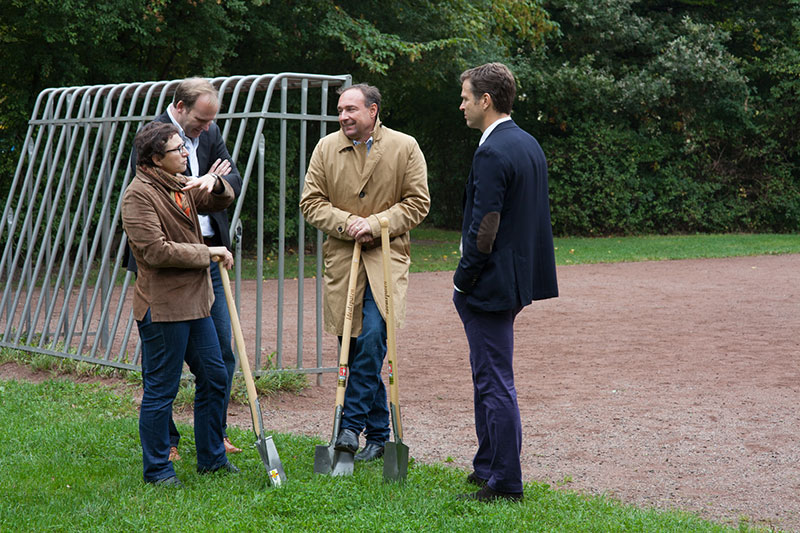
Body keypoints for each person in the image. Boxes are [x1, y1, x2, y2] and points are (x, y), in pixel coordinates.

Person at [300, 84, 430, 463]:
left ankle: (348, 427)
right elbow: (311, 202)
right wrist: (347, 223)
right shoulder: (326, 148)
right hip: (343, 262)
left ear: (373, 110)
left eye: (351, 109)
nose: (344, 116)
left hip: (386, 259)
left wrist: (375, 223)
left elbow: (418, 203)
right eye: (340, 110)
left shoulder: (405, 147)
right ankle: (377, 436)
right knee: (353, 347)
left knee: (374, 337)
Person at [453, 63, 558, 502]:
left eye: (465, 96)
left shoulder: (493, 151)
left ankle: (506, 482)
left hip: (491, 284)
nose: (461, 104)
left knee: (495, 380)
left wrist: (463, 279)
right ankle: (488, 465)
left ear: (486, 100)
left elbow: (488, 225)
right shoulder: (528, 143)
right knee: (488, 376)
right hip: (514, 279)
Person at [126, 77, 243, 459]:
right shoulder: (145, 176)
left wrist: (215, 181)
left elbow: (223, 190)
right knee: (162, 381)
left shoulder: (183, 178)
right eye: (180, 149)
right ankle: (161, 461)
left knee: (216, 368)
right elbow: (157, 250)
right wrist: (208, 253)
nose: (190, 152)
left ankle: (213, 452)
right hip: (167, 293)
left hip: (203, 280)